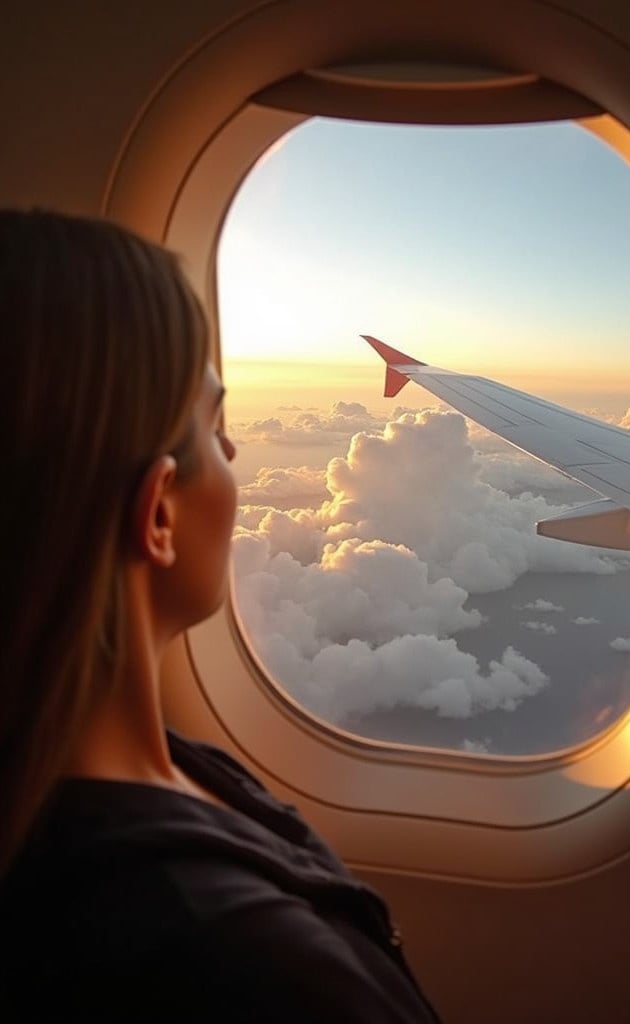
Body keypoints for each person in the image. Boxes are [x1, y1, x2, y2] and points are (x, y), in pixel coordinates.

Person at [0, 209, 440, 1023]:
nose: (235, 457)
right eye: (215, 426)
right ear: (157, 514)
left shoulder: (161, 771)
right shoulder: (241, 967)